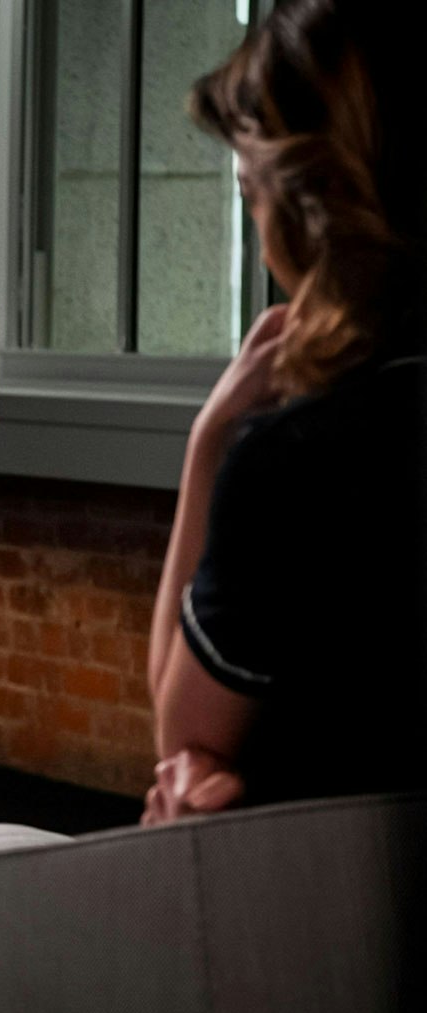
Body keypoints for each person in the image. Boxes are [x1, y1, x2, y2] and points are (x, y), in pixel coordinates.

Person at [144, 0, 427, 825]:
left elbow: (179, 741)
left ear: (310, 207)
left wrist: (210, 444)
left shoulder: (299, 455)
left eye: (249, 193)